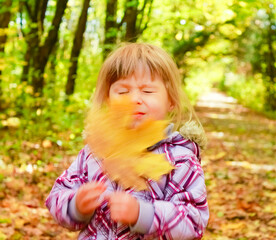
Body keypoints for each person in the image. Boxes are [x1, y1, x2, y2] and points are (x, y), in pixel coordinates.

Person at [46, 43, 209, 239]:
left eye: (147, 91)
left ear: (171, 100)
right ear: (107, 99)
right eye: (122, 92)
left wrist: (144, 214)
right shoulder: (95, 152)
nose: (134, 99)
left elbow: (193, 222)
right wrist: (76, 205)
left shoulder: (180, 160)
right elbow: (57, 195)